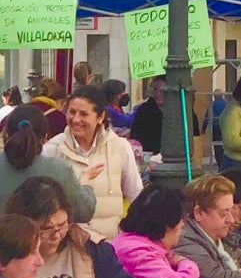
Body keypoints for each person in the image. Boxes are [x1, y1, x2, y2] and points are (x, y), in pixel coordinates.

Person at [5, 176, 145, 278]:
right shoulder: (9, 256)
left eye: (62, 225)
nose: (56, 235)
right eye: (45, 229)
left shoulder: (90, 248)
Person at [42, 85, 143, 239]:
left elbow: (136, 195)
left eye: (84, 114)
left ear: (100, 117)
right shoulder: (52, 150)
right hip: (68, 245)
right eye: (72, 112)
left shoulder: (120, 147)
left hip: (109, 246)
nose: (76, 120)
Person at [110, 185, 200, 278]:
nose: (183, 224)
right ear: (168, 224)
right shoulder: (135, 252)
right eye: (181, 219)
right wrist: (186, 263)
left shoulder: (141, 245)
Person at [0, 105, 96, 225]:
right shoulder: (59, 170)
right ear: (45, 137)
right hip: (48, 242)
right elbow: (84, 212)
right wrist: (85, 183)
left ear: (6, 133)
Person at [174, 174, 241, 278]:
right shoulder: (184, 242)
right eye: (223, 214)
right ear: (199, 213)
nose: (231, 219)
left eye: (230, 211)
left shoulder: (222, 239)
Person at [128, 76, 168, 154]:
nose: (157, 94)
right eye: (155, 89)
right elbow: (136, 135)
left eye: (162, 91)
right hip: (148, 154)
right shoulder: (144, 110)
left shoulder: (178, 109)